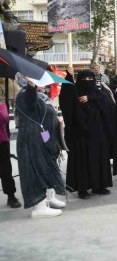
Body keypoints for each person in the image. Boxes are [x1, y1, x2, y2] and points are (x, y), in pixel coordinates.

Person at [14, 74, 66, 218]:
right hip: (33, 138)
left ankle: (49, 197)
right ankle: (39, 206)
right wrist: (31, 86)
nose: (42, 84)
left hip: (42, 138)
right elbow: (30, 103)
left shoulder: (39, 95)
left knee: (47, 166)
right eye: (37, 81)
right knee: (37, 169)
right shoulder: (25, 94)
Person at [60, 66, 115, 199]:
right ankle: (82, 188)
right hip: (81, 134)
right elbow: (66, 99)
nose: (87, 81)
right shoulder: (74, 91)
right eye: (84, 78)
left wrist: (91, 98)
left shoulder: (98, 93)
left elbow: (108, 105)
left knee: (98, 159)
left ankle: (99, 185)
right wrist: (69, 77)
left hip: (97, 133)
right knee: (82, 161)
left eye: (90, 78)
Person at [0, 100, 21, 208]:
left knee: (6, 171)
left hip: (2, 142)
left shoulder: (2, 105)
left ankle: (11, 196)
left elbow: (5, 119)